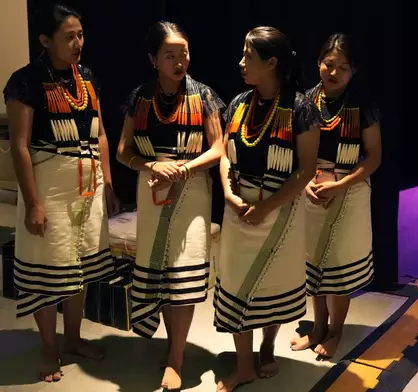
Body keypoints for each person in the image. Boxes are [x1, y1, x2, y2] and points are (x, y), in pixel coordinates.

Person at [3, 4, 119, 383]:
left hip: (87, 184)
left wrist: (109, 184)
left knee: (79, 268)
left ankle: (72, 339)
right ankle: (50, 349)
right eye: (68, 37)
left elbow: (99, 133)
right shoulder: (25, 81)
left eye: (80, 35)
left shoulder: (86, 77)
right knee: (48, 269)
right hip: (49, 186)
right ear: (44, 40)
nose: (77, 43)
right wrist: (34, 203)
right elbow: (20, 146)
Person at [116, 21, 225, 391]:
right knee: (160, 272)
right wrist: (150, 165)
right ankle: (171, 346)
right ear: (153, 59)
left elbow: (217, 149)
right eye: (170, 56)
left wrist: (180, 169)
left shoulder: (205, 95)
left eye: (184, 54)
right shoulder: (139, 97)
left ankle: (176, 358)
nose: (180, 62)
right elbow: (122, 151)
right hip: (152, 189)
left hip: (192, 190)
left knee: (185, 272)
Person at [214, 26, 321, 392]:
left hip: (280, 212)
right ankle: (243, 365)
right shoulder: (239, 103)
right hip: (239, 208)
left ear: (272, 62)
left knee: (272, 285)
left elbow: (306, 169)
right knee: (235, 284)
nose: (241, 62)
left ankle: (268, 346)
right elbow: (225, 155)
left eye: (248, 55)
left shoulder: (301, 107)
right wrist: (229, 195)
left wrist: (269, 206)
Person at [290, 33, 382, 359]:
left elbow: (373, 157)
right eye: (329, 64)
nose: (334, 72)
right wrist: (305, 184)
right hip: (311, 189)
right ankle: (317, 327)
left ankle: (336, 331)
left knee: (338, 270)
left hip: (349, 192)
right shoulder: (304, 103)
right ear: (318, 63)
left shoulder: (362, 105)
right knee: (314, 264)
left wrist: (340, 185)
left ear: (353, 71)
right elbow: (294, 153)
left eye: (343, 67)